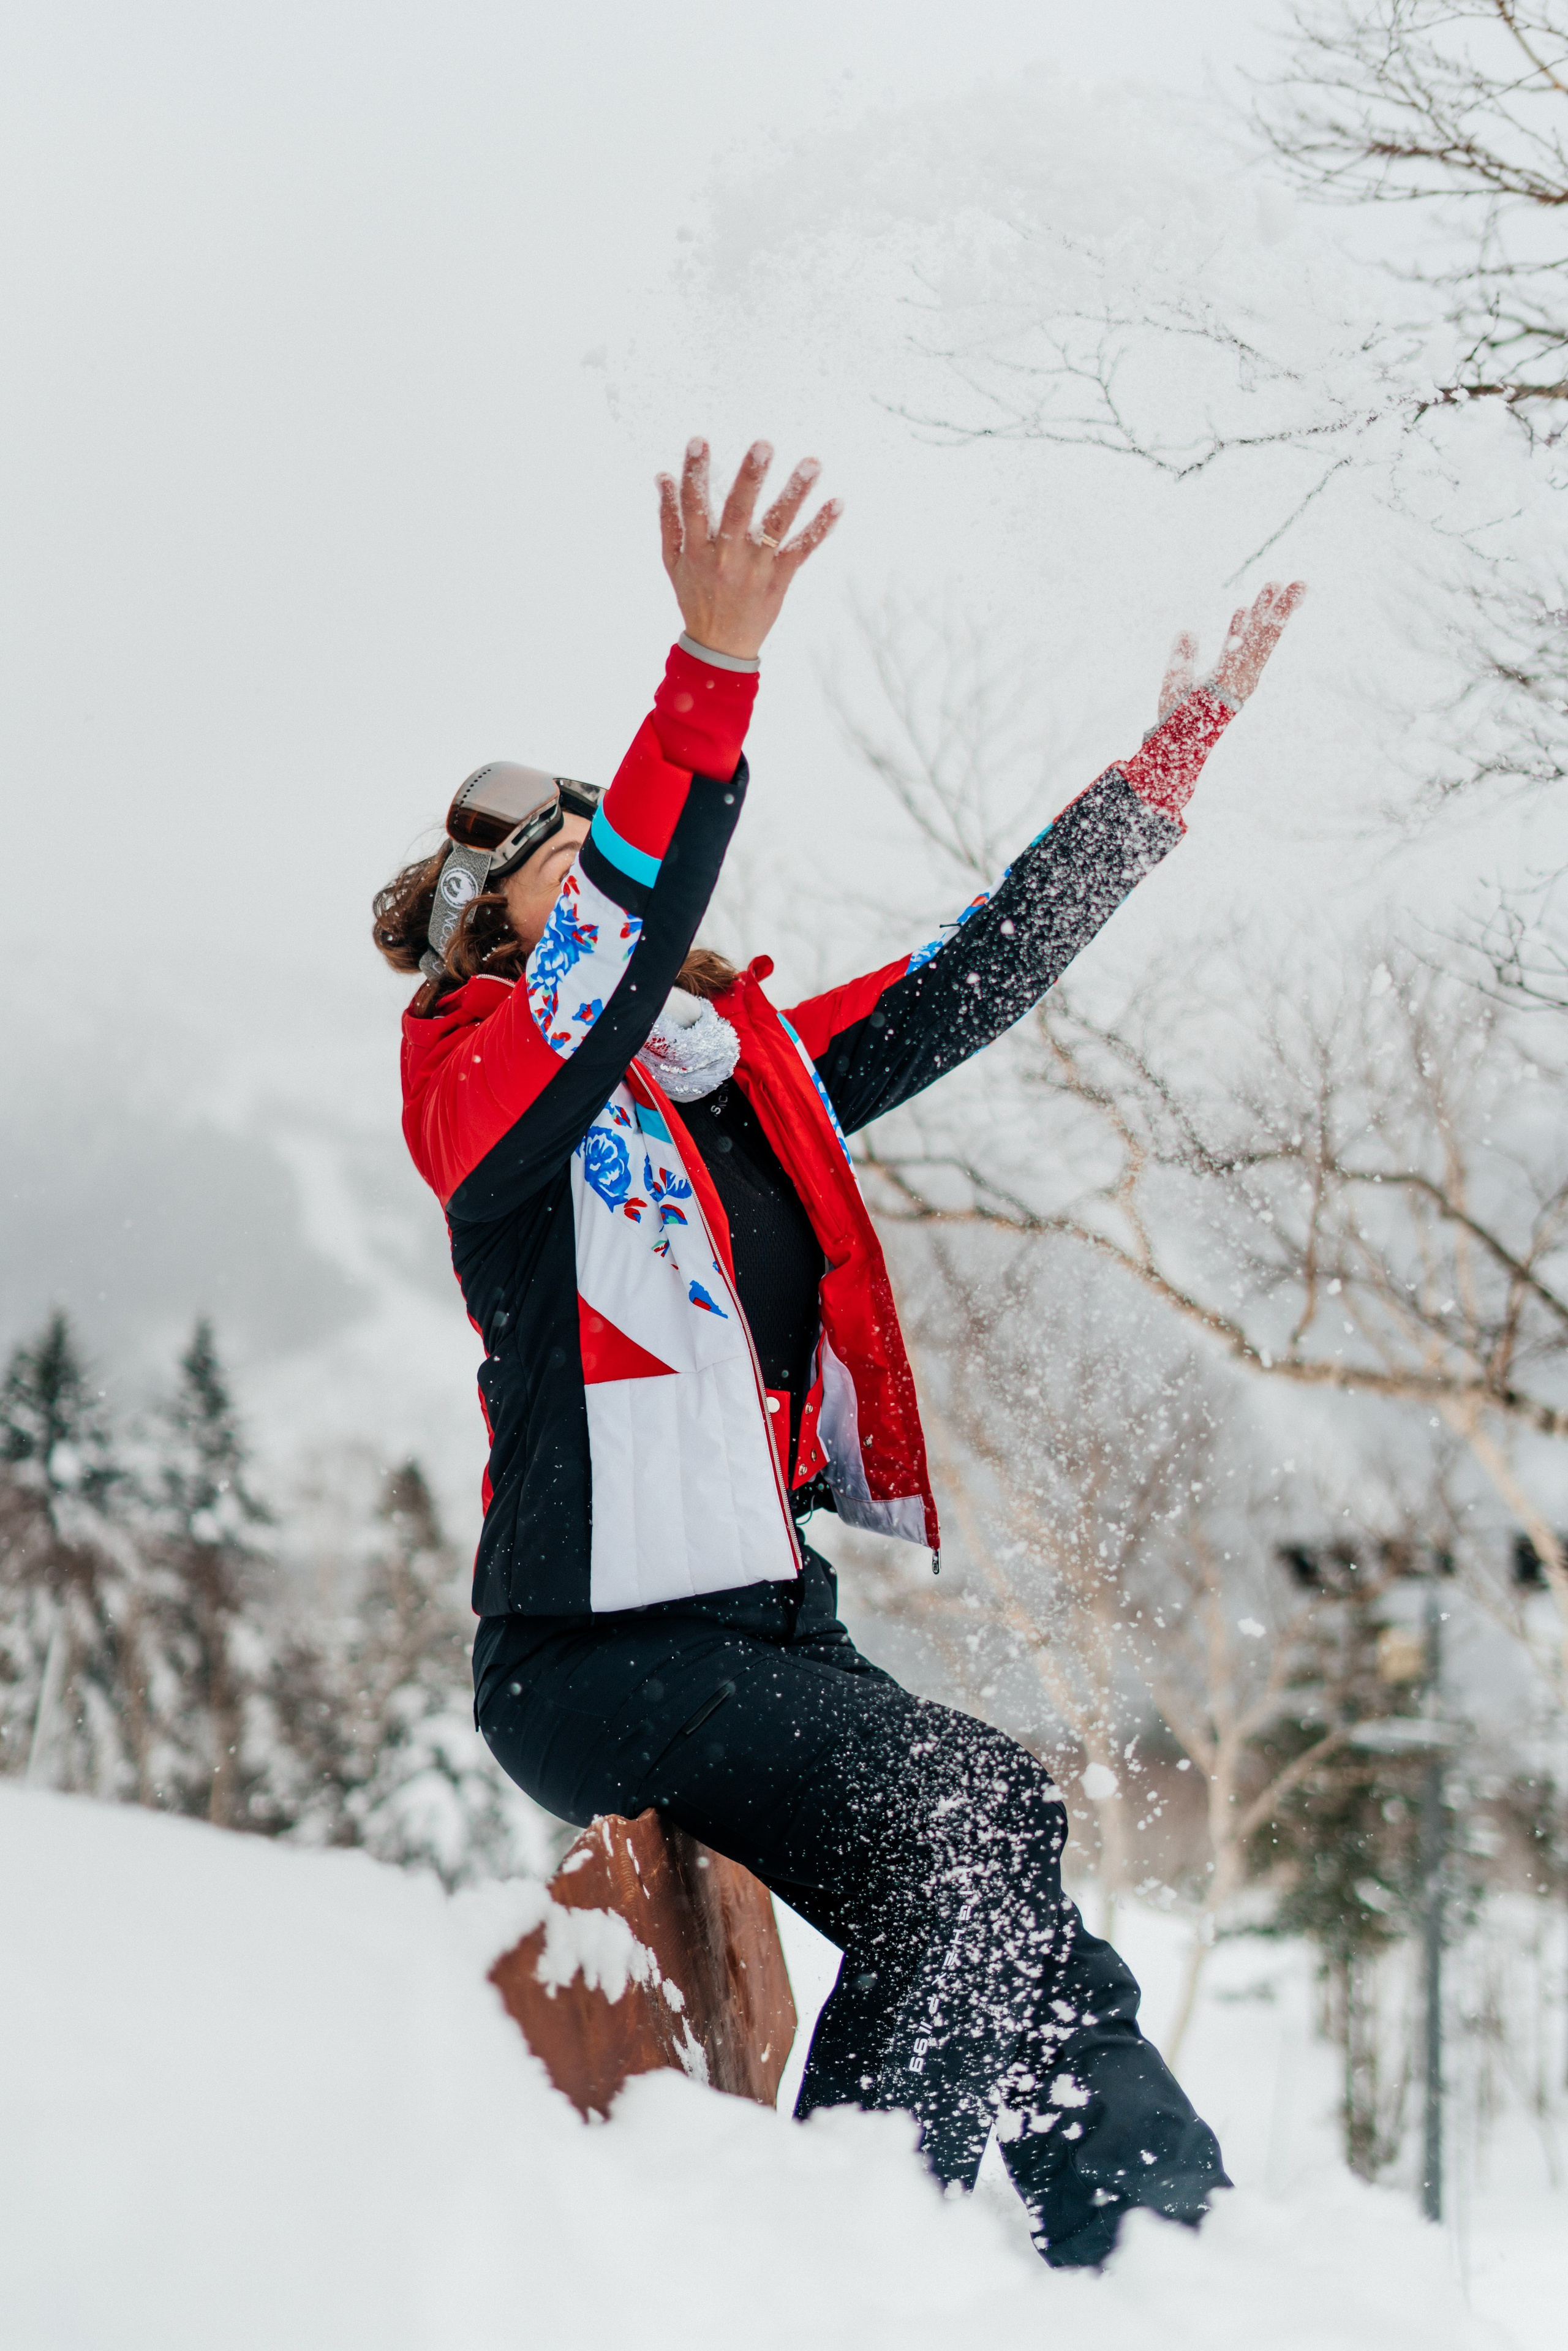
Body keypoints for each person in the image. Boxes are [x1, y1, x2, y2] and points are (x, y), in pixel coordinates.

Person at [372, 437, 1304, 2267]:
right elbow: (609, 950)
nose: (621, 901)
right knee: (976, 1810)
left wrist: (1164, 766)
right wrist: (709, 666)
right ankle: (832, 2270)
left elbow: (975, 972)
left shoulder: (752, 1081)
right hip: (593, 1657)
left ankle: (1183, 2266)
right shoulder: (484, 1097)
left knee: (1020, 1911)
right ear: (501, 928)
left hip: (770, 1629)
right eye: (574, 873)